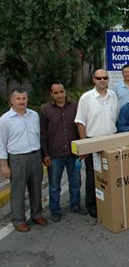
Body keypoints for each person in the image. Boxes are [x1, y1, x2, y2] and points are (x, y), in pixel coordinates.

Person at [0, 89, 47, 232]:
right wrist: (4, 165)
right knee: (18, 190)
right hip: (17, 158)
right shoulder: (4, 120)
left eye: (24, 98)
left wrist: (43, 155)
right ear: (11, 101)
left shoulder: (33, 115)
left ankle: (36, 214)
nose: (22, 101)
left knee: (36, 187)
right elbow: (1, 143)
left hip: (35, 155)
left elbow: (40, 136)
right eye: (18, 98)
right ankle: (19, 220)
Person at [40, 82, 87, 223]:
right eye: (56, 93)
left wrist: (82, 148)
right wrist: (45, 154)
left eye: (61, 92)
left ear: (65, 91)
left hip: (73, 152)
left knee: (75, 181)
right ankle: (55, 210)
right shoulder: (45, 110)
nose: (59, 95)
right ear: (51, 94)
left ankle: (75, 205)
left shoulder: (75, 106)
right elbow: (42, 134)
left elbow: (81, 126)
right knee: (54, 185)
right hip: (55, 154)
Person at [75, 69, 118, 218]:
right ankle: (92, 205)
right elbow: (80, 122)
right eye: (98, 78)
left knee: (110, 175)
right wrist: (85, 144)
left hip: (111, 141)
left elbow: (115, 117)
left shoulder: (113, 96)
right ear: (93, 79)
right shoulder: (86, 98)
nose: (102, 80)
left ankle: (109, 202)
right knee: (93, 176)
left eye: (105, 78)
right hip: (93, 141)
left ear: (108, 79)